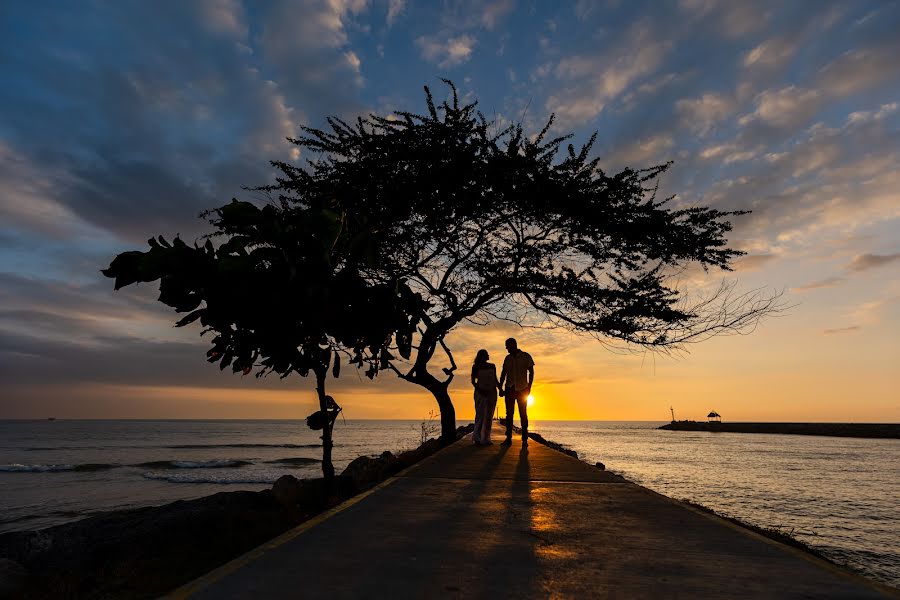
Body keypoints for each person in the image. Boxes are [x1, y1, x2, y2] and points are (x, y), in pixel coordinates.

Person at [499, 337, 535, 446]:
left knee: (523, 414)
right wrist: (500, 388)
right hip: (509, 388)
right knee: (509, 414)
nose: (506, 348)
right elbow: (503, 373)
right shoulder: (507, 358)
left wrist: (529, 387)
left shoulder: (526, 356)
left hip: (522, 389)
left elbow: (531, 372)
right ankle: (508, 438)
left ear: (513, 345)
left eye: (507, 346)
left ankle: (524, 439)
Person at [470, 349, 500, 445]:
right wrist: (480, 390)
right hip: (480, 392)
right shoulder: (475, 367)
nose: (488, 355)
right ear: (482, 356)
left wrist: (501, 389)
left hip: (492, 392)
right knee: (480, 415)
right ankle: (477, 438)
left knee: (489, 415)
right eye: (487, 354)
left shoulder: (492, 366)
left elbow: (495, 379)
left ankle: (486, 438)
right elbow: (473, 381)